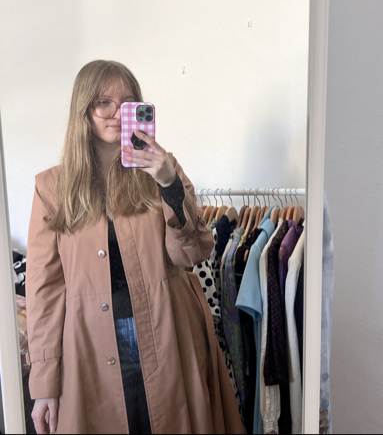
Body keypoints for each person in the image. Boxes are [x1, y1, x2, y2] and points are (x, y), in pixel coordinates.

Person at [26, 60, 243, 434]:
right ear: (84, 111)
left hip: (169, 333)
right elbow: (45, 290)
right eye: (103, 103)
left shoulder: (164, 168)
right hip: (89, 347)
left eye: (127, 103)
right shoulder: (52, 188)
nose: (116, 113)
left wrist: (168, 184)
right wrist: (44, 383)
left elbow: (192, 253)